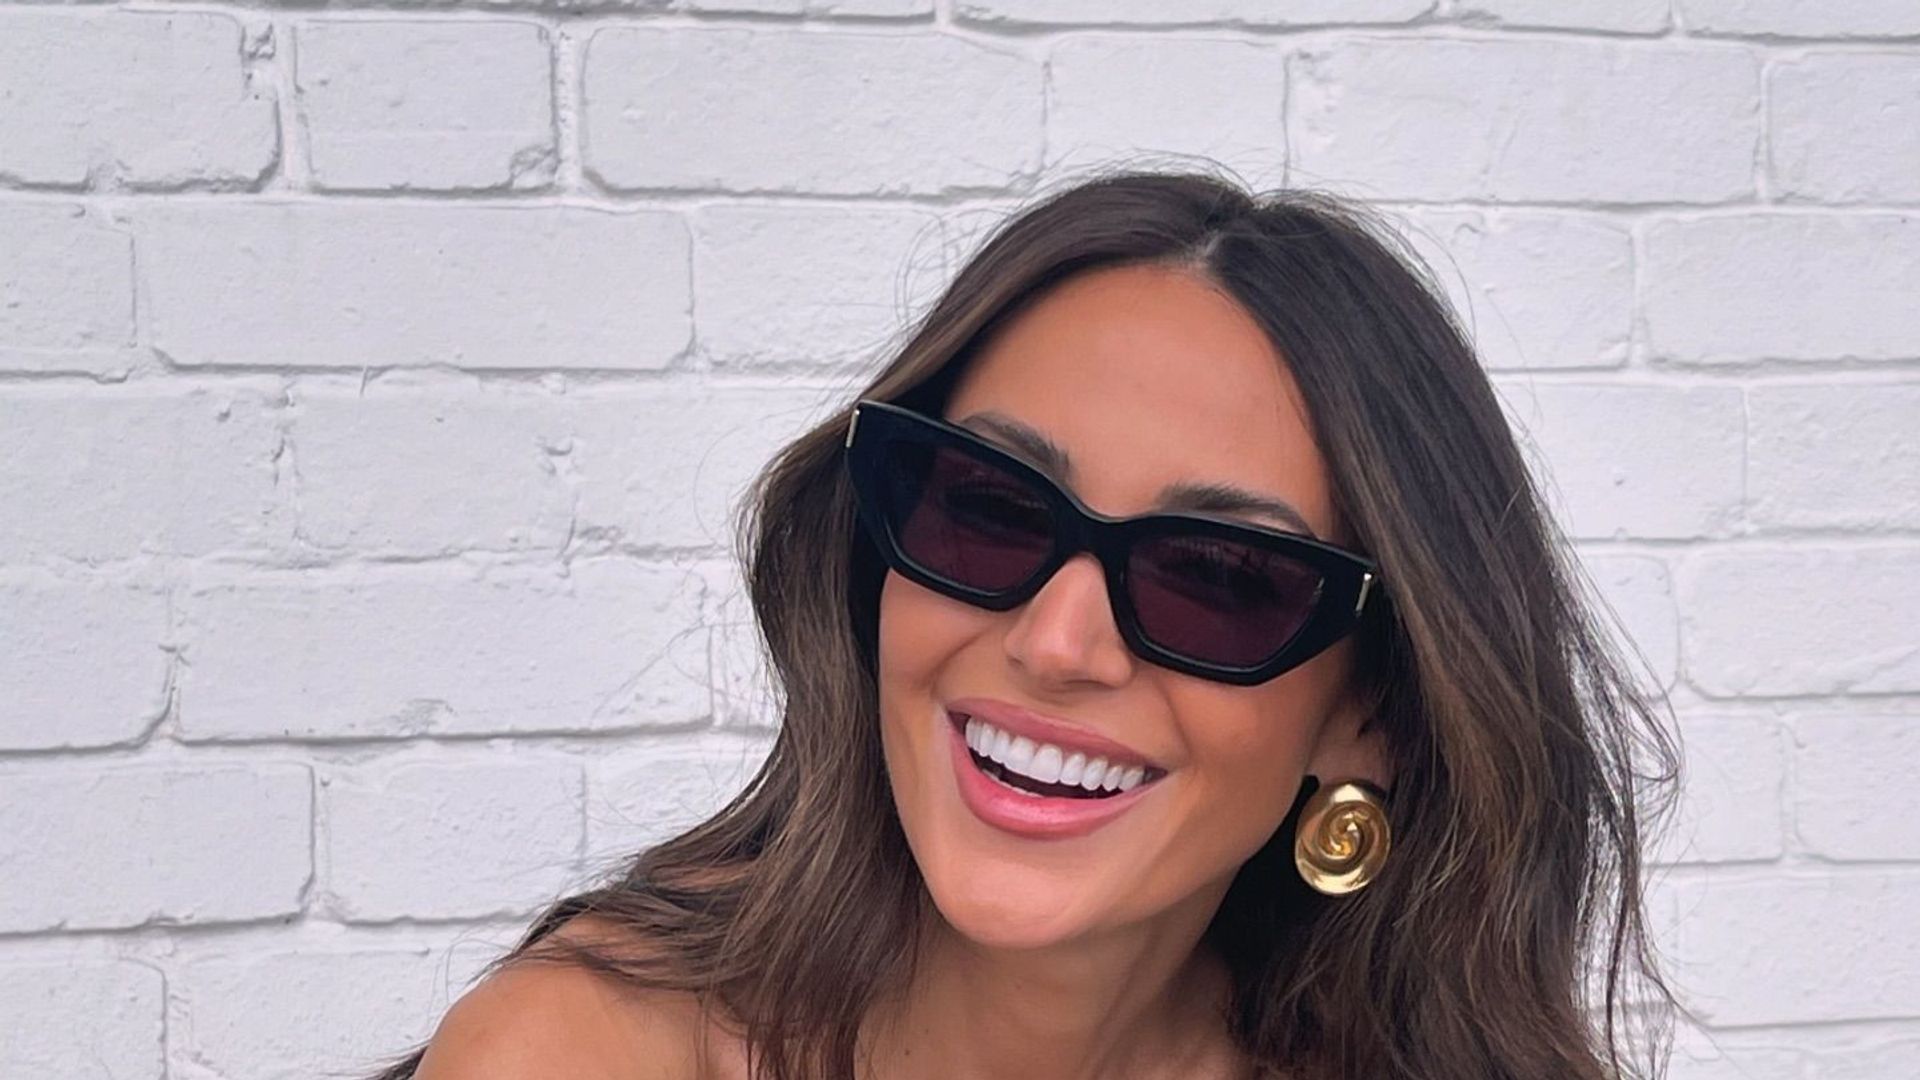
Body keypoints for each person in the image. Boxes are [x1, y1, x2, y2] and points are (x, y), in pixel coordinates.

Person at [373, 170, 1679, 1080]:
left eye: (1215, 579)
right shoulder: (590, 1055)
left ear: (1371, 712)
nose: (1060, 642)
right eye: (989, 512)